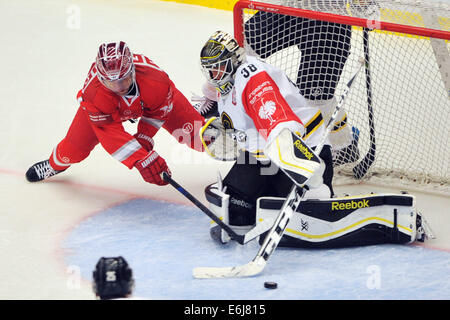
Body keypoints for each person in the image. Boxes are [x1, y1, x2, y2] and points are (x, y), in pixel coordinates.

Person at [195, 31, 433, 248]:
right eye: (210, 70)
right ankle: (288, 195)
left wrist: (310, 177)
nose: (214, 75)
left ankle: (323, 190)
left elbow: (280, 125)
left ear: (235, 60)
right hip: (267, 160)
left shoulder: (251, 76)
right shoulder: (226, 87)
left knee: (299, 219)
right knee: (236, 212)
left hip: (304, 153)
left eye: (219, 68)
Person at [26, 41, 205, 185]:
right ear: (102, 78)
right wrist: (143, 160)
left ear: (132, 70)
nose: (119, 87)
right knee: (73, 151)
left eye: (123, 79)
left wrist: (145, 136)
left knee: (200, 135)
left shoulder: (155, 80)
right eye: (111, 83)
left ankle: (230, 148)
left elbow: (159, 109)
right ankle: (54, 165)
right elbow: (110, 135)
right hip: (106, 112)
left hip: (146, 102)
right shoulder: (94, 94)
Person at [241, 0, 381, 167]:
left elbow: (365, 10)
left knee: (315, 100)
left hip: (330, 21)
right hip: (289, 7)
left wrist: (367, 5)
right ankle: (215, 100)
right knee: (240, 48)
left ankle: (343, 146)